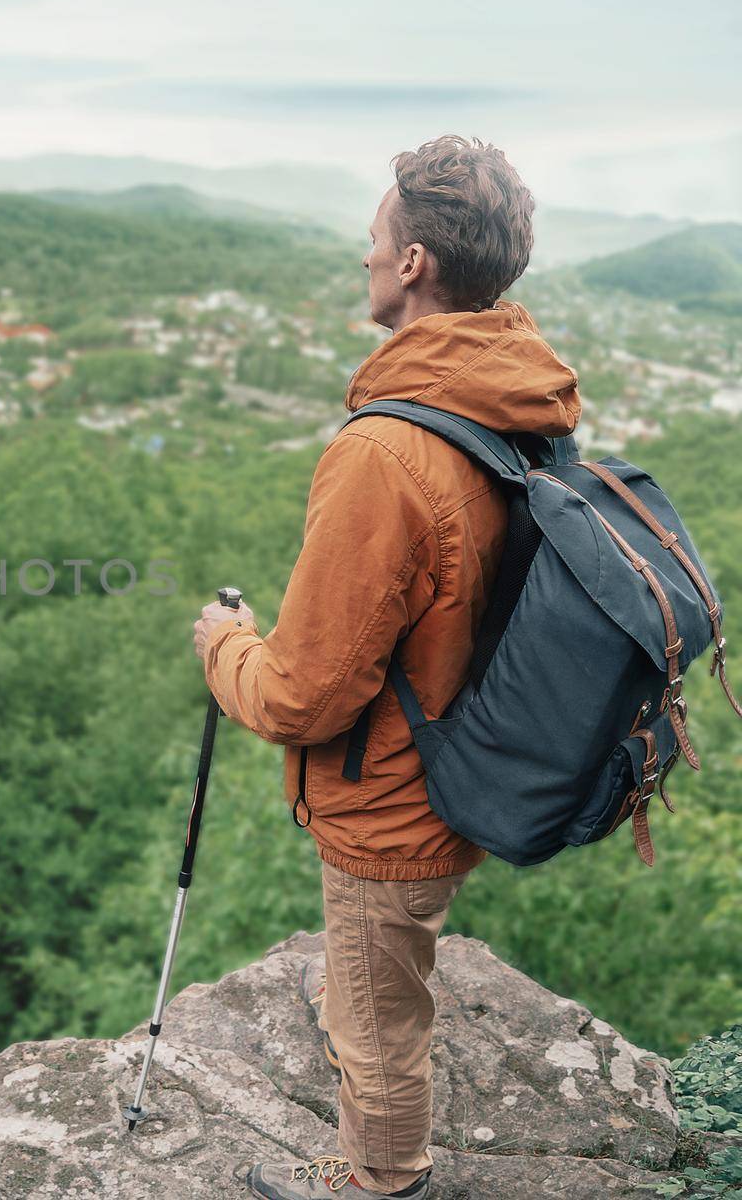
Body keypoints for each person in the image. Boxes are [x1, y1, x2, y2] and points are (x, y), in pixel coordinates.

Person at [193, 135, 581, 1199]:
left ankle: (377, 1182)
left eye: (374, 243)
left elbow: (302, 694)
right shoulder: (513, 396)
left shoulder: (384, 451)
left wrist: (220, 642)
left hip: (393, 798)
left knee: (371, 1016)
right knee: (383, 995)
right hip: (472, 751)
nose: (364, 259)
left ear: (413, 264)